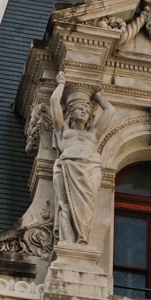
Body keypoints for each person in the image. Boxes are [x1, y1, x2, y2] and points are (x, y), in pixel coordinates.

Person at [49, 71, 113, 245]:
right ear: (70, 112)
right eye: (80, 108)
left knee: (87, 209)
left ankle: (82, 239)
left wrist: (97, 96)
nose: (84, 110)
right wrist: (61, 83)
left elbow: (109, 111)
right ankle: (68, 244)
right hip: (68, 167)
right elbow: (55, 102)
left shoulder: (93, 134)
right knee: (65, 207)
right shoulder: (64, 131)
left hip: (90, 169)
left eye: (87, 108)